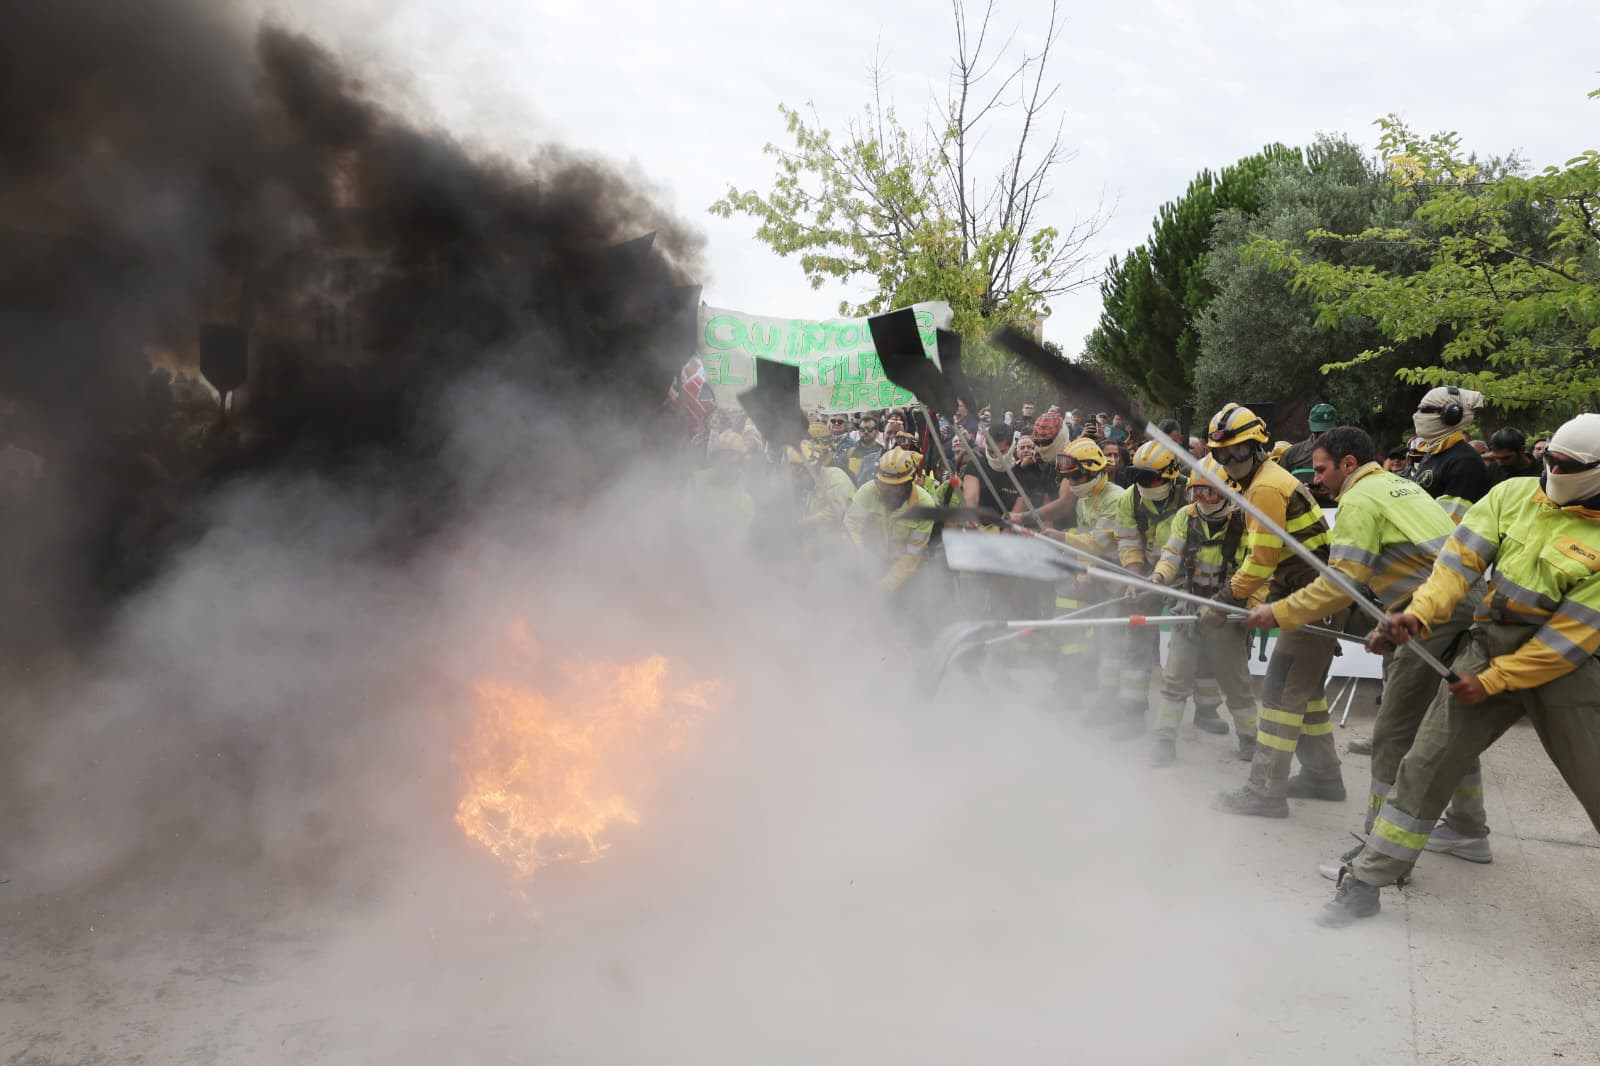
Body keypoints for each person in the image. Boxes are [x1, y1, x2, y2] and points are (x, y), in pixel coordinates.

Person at [1320, 414, 1600, 926]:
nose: (1554, 469)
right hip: (1489, 641)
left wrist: (1492, 681)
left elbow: (1568, 640)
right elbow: (1455, 568)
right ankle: (1367, 880)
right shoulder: (1514, 495)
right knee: (1425, 763)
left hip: (1567, 669)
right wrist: (1417, 615)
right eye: (1549, 459)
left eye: (1567, 465)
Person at [1239, 427, 1490, 874]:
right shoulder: (1402, 486)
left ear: (1348, 464)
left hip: (1428, 612)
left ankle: (1379, 851)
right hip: (1464, 602)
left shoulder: (1358, 499)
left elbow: (1340, 585)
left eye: (1321, 469)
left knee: (1392, 733)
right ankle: (1468, 828)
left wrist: (1280, 612)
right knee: (1448, 720)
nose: (1317, 480)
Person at [1203, 403, 1339, 819]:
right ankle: (1324, 778)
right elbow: (1270, 564)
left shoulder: (1264, 487)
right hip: (1303, 591)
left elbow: (1259, 564)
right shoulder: (1263, 480)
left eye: (1237, 453)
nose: (1230, 462)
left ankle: (1264, 792)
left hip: (1311, 596)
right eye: (1221, 455)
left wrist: (1221, 601)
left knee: (1280, 693)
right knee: (1308, 692)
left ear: (1256, 448)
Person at [1148, 456, 1259, 765]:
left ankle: (1250, 739)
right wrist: (1159, 575)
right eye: (1194, 492)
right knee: (1175, 678)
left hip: (1226, 609)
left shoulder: (1244, 520)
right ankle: (1164, 739)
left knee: (1236, 683)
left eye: (1208, 493)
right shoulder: (1186, 516)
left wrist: (1240, 606)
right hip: (1190, 607)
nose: (1200, 500)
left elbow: (1253, 567)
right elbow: (1171, 553)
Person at [1102, 438, 1188, 740]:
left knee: (1191, 642)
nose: (1144, 483)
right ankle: (1132, 713)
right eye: (1139, 475)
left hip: (1186, 576)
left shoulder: (1191, 495)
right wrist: (1134, 579)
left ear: (1171, 473)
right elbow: (1127, 541)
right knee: (1136, 642)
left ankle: (1206, 710)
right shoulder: (1129, 498)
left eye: (1151, 477)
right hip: (1147, 571)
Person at [1045, 438, 1128, 697]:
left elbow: (1096, 543)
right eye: (1068, 478)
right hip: (1093, 577)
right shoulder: (1084, 497)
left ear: (1093, 471)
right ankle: (1071, 684)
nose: (1071, 484)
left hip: (1117, 580)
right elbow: (1083, 543)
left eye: (1075, 477)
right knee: (1072, 629)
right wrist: (1081, 575)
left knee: (1109, 641)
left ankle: (1108, 699)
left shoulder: (1116, 498)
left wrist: (1059, 538)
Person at [843, 447, 936, 594]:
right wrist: (861, 557)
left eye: (894, 487)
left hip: (904, 567)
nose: (887, 492)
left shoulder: (924, 505)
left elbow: (912, 554)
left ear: (909, 483)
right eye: (883, 485)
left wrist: (885, 587)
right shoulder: (868, 492)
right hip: (870, 559)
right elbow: (851, 526)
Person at [1410, 385, 1492, 523]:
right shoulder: (1433, 453)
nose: (1417, 415)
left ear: (1451, 416)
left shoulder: (1465, 462)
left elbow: (1451, 523)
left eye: (1424, 410)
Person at [682, 431, 755, 545]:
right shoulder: (696, 480)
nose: (724, 463)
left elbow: (739, 539)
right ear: (713, 459)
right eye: (720, 457)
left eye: (732, 459)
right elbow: (684, 516)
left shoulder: (745, 501)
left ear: (741, 463)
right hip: (690, 547)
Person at [1279, 402, 1338, 497]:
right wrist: (1299, 492)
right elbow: (1280, 488)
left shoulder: (1347, 454)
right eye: (1317, 433)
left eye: (1326, 433)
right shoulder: (1292, 455)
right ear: (1309, 424)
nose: (1322, 438)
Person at [847, 414, 884, 484]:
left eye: (870, 429)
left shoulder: (882, 453)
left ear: (876, 432)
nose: (866, 432)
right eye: (862, 429)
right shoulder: (850, 451)